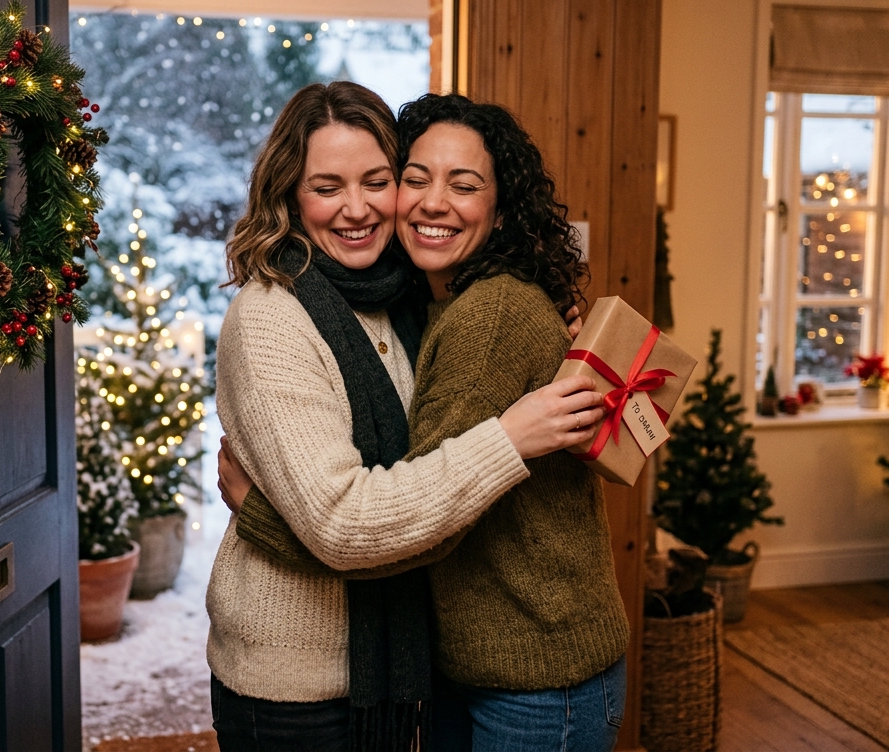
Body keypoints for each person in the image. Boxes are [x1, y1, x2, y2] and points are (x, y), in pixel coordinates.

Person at [222, 93, 629, 752]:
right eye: (328, 187)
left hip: (520, 674)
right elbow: (353, 523)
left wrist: (260, 512)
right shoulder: (288, 314)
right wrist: (511, 430)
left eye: (376, 181)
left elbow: (415, 528)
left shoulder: (452, 308)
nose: (358, 207)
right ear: (290, 196)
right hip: (304, 678)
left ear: (500, 212)